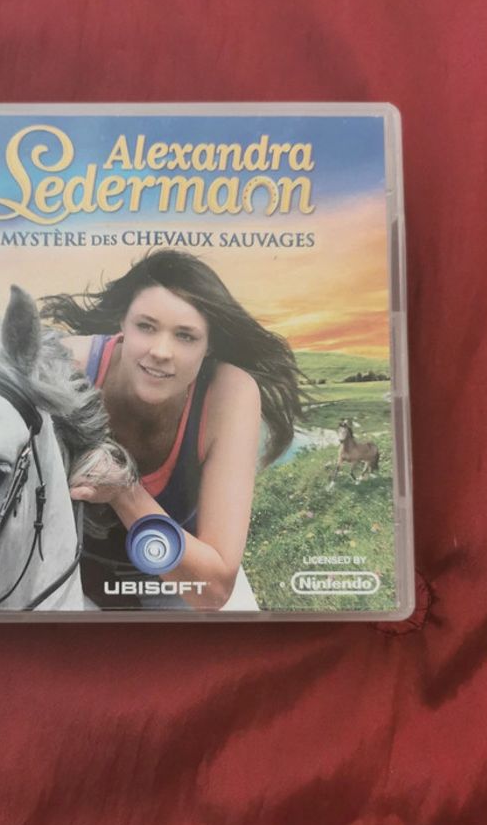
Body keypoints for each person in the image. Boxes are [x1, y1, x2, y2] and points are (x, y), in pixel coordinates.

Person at [40, 249, 303, 610]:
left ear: (210, 345)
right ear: (122, 322)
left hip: (179, 580)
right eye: (146, 327)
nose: (161, 351)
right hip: (68, 575)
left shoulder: (229, 393)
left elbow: (213, 590)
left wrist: (125, 492)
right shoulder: (64, 368)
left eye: (185, 336)